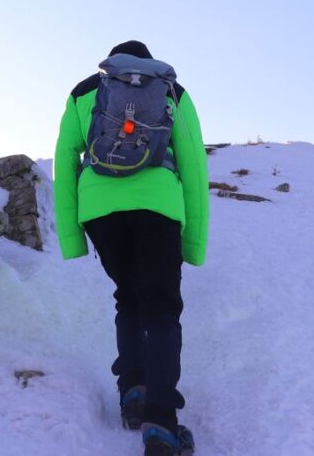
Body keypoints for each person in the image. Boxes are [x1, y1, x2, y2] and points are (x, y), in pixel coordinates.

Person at [54, 40, 209, 456]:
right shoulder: (171, 90)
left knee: (129, 298)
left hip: (100, 208)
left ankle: (133, 393)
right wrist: (193, 241)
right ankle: (161, 423)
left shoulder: (85, 91)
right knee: (161, 308)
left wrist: (71, 236)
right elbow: (194, 164)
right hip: (158, 205)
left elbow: (65, 158)